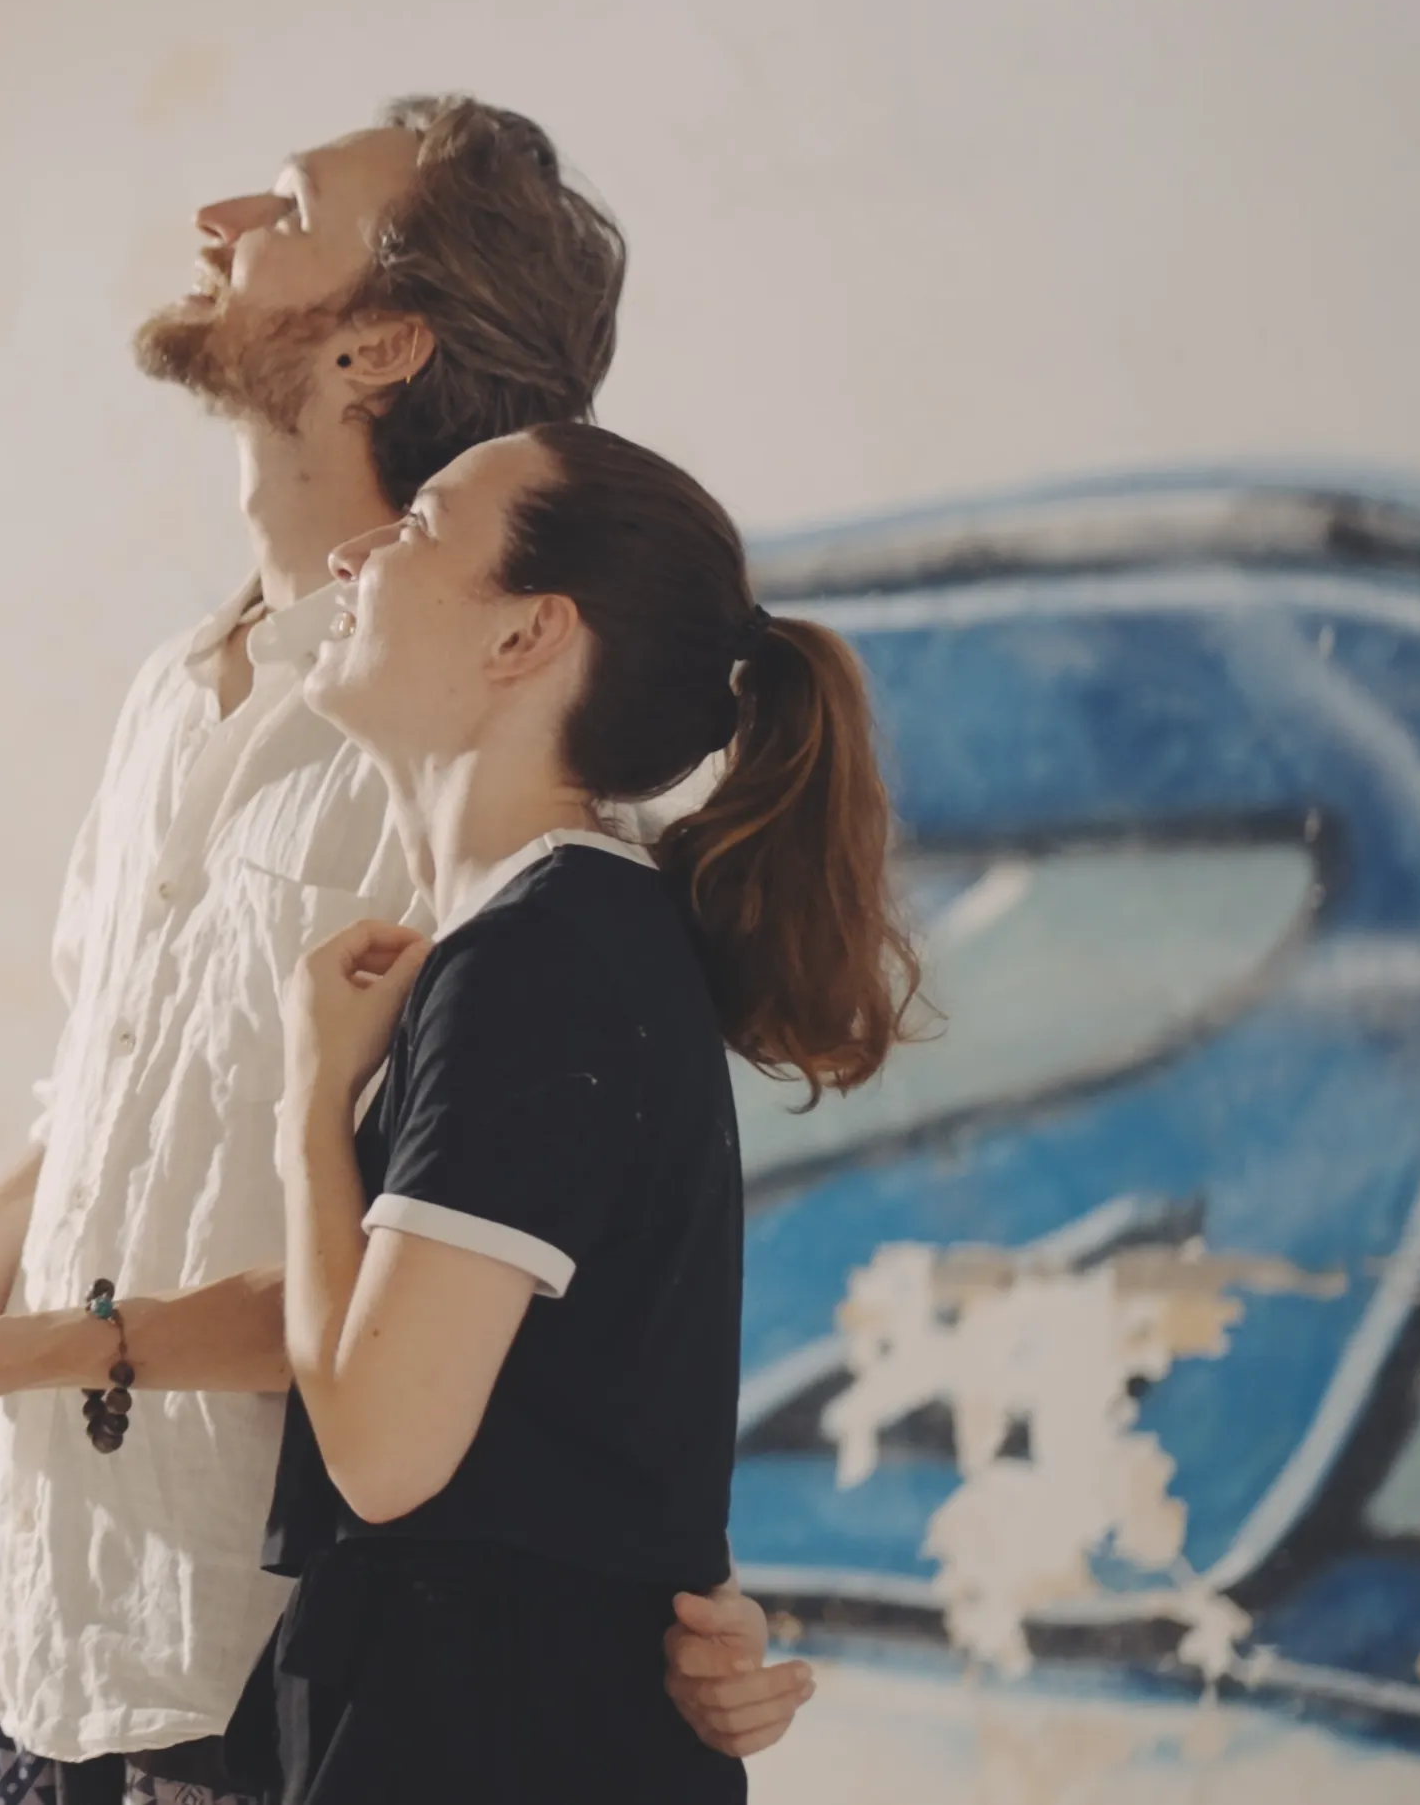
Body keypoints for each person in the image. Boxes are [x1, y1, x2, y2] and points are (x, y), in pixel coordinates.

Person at [0, 99, 813, 1803]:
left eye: (284, 206)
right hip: (12, 1630)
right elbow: (113, 1137)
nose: (216, 218)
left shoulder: (453, 771)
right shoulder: (175, 691)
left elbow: (461, 1268)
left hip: (247, 1671)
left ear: (380, 343)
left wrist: (666, 1596)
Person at [211, 420, 921, 1802]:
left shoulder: (547, 957)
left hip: (491, 1735)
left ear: (528, 633)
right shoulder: (551, 935)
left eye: (419, 522)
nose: (357, 552)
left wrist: (309, 1103)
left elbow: (382, 1449)